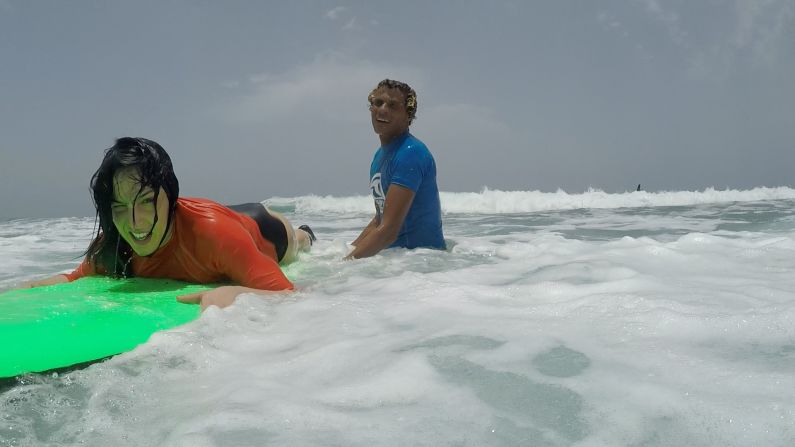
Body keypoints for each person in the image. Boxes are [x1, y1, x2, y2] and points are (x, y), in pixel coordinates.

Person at [21, 137, 315, 309]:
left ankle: (304, 234)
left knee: (294, 246)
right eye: (120, 207)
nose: (134, 221)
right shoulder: (112, 246)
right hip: (221, 221)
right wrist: (26, 286)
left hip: (263, 228)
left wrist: (239, 293)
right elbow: (73, 278)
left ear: (171, 197)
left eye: (146, 201)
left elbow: (290, 295)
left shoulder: (214, 235)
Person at [346, 79, 445, 259]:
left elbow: (389, 231)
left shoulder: (411, 153)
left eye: (393, 105)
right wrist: (346, 251)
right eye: (378, 103)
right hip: (397, 263)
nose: (383, 109)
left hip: (422, 265)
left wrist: (342, 267)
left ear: (408, 116)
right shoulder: (380, 156)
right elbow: (380, 220)